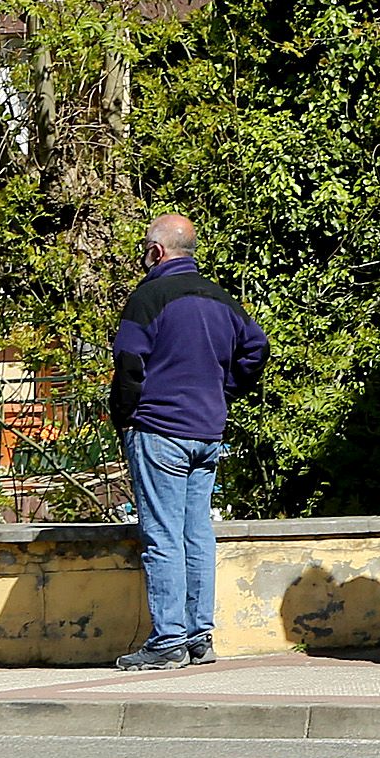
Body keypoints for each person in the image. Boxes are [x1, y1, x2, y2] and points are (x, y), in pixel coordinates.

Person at [105, 212, 266, 671]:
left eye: (145, 250)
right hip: (207, 431)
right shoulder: (221, 299)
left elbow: (130, 362)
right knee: (197, 533)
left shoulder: (149, 297)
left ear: (157, 252)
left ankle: (168, 640)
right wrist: (224, 390)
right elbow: (257, 348)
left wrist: (125, 416)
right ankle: (199, 637)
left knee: (162, 536)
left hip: (159, 429)